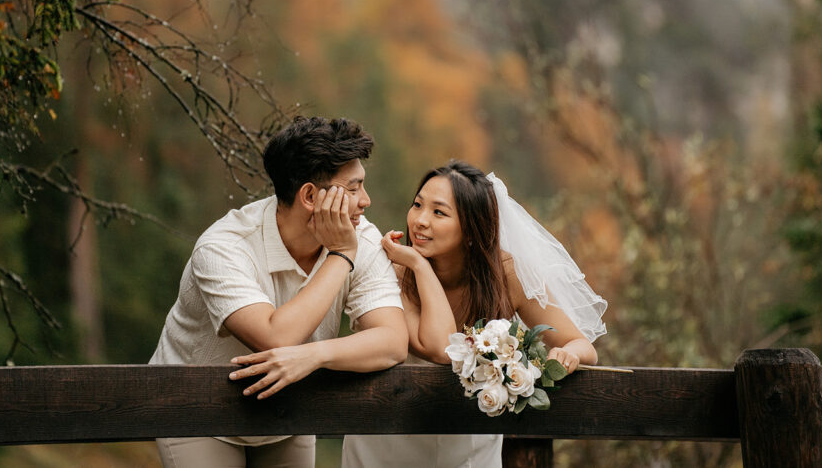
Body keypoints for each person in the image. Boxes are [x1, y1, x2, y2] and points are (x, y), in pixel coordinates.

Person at [150, 116, 408, 468]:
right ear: (310, 196)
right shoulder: (223, 247)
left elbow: (393, 341)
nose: (366, 200)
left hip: (289, 407)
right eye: (353, 188)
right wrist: (341, 255)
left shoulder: (361, 235)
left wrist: (314, 356)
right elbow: (276, 338)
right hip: (194, 408)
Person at [341, 160, 607, 468]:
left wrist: (567, 354)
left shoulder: (506, 275)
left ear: (470, 230)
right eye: (418, 205)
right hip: (388, 437)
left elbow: (582, 345)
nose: (420, 220)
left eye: (439, 212)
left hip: (469, 445)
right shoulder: (395, 272)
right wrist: (418, 265)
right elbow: (438, 347)